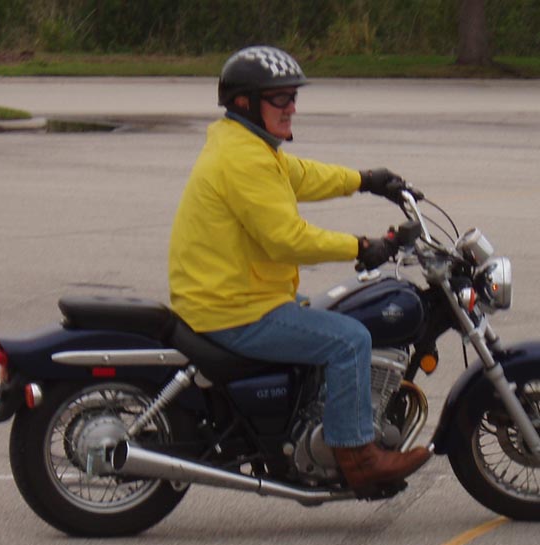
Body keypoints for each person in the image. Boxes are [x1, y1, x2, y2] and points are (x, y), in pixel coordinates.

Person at [167, 45, 430, 495]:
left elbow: (300, 175)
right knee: (350, 340)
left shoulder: (245, 145)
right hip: (236, 309)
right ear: (245, 102)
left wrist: (365, 180)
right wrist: (363, 246)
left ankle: (314, 421)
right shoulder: (245, 159)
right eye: (280, 98)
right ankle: (359, 458)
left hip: (236, 296)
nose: (291, 107)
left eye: (293, 96)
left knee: (336, 312)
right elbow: (287, 239)